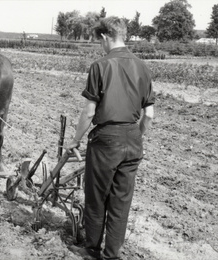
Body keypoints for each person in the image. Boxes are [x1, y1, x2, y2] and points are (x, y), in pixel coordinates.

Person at [66, 16, 155, 260]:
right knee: (121, 202)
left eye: (99, 42)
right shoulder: (142, 67)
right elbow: (149, 115)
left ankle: (92, 249)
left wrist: (75, 140)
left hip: (106, 140)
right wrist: (137, 136)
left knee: (96, 197)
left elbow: (89, 112)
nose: (100, 47)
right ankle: (112, 254)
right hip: (133, 139)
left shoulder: (100, 66)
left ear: (105, 37)